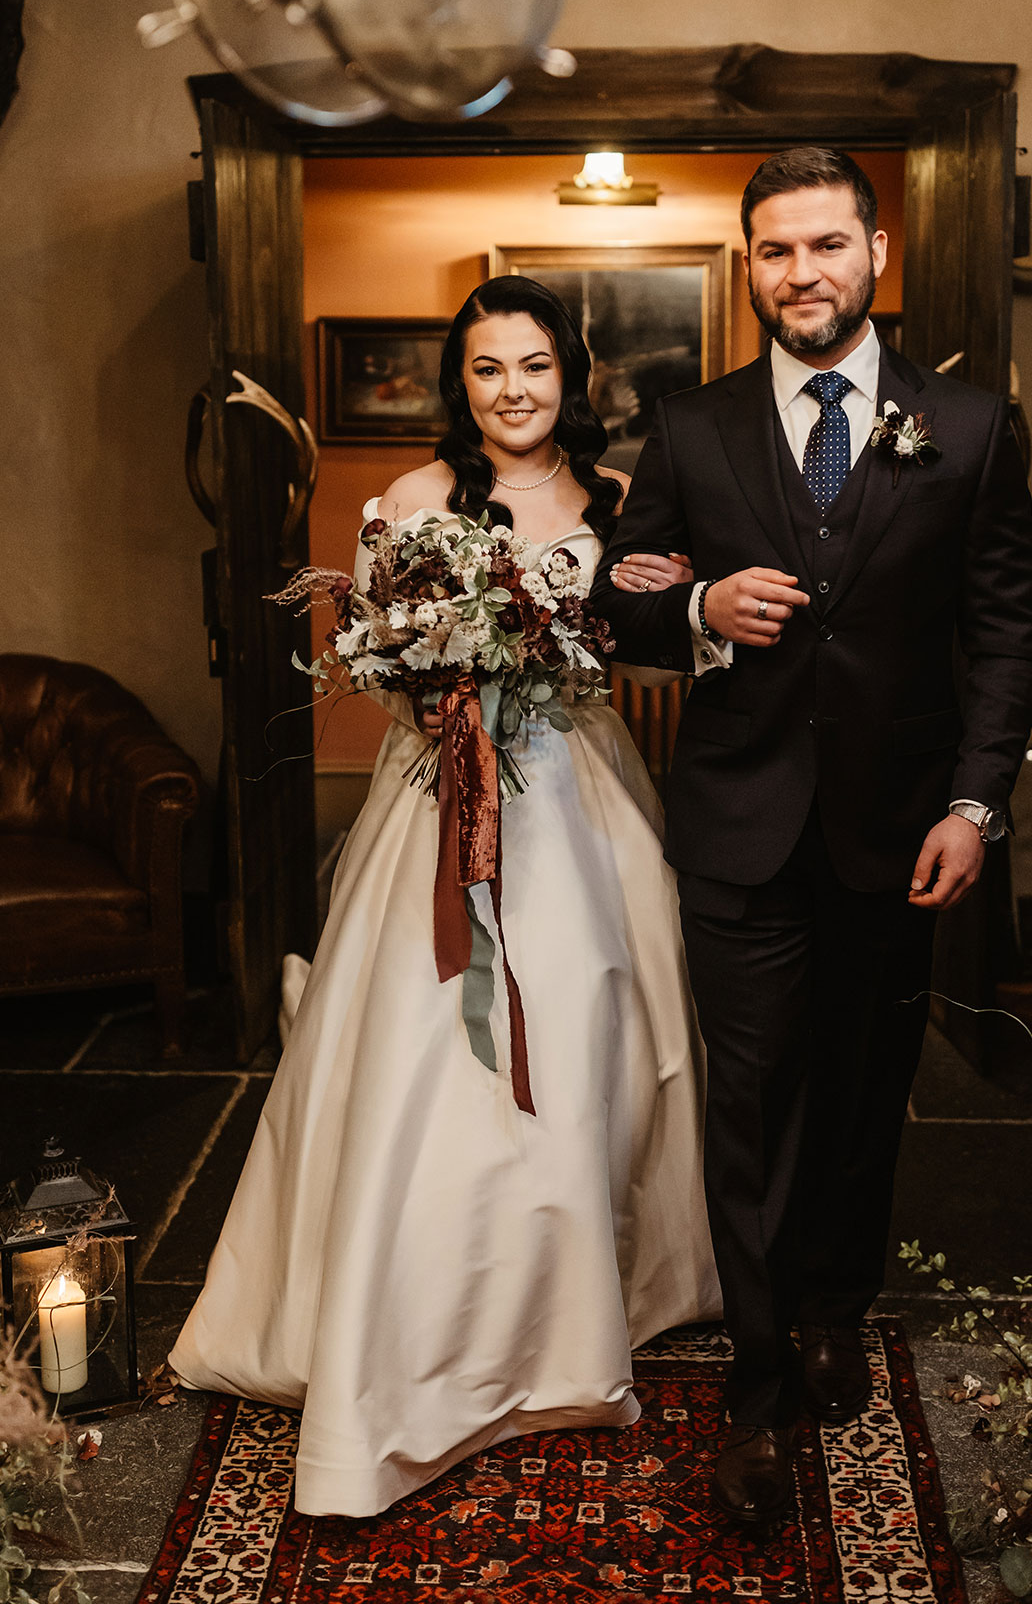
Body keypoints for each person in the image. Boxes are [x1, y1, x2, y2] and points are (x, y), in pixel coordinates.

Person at [170, 275, 721, 1517]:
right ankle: (416, 1304)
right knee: (422, 1058)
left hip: (580, 795)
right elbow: (373, 668)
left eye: (534, 366)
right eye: (487, 370)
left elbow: (648, 638)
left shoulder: (623, 504)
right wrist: (436, 677)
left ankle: (574, 1307)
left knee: (595, 1037)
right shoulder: (414, 501)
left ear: (568, 375)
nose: (514, 391)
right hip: (438, 798)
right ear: (457, 383)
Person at [592, 147, 1032, 1532]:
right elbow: (620, 608)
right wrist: (702, 609)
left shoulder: (964, 428)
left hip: (900, 834)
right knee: (752, 1099)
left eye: (826, 247)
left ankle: (835, 1306)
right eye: (776, 252)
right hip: (739, 828)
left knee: (862, 1091)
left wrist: (974, 805)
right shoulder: (692, 425)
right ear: (750, 270)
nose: (803, 274)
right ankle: (755, 1370)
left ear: (874, 256)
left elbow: (1006, 632)